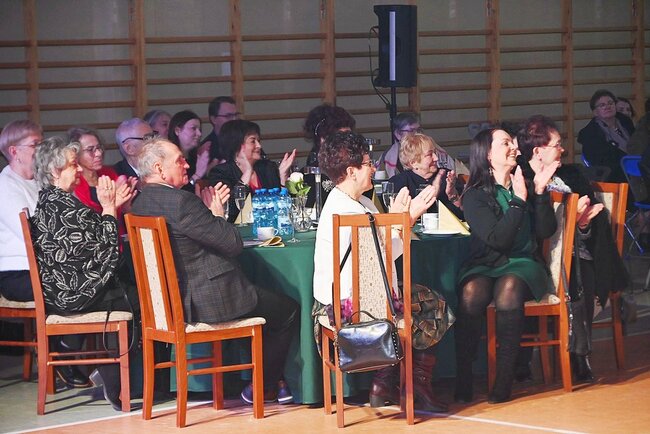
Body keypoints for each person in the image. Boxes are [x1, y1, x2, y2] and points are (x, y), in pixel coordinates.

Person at [131, 137, 299, 405]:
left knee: (260, 299)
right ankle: (263, 385)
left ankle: (270, 381)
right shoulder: (182, 202)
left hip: (168, 303)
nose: (187, 165)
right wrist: (216, 212)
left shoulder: (140, 203)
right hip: (207, 300)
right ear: (159, 168)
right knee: (287, 310)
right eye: (180, 160)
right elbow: (232, 244)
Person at [312, 131, 448, 412]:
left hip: (343, 299)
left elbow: (378, 252)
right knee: (434, 305)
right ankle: (411, 384)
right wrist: (407, 219)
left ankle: (384, 383)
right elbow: (384, 258)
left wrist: (397, 219)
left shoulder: (350, 201)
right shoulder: (352, 211)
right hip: (351, 306)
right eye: (367, 163)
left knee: (421, 297)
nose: (374, 168)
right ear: (351, 171)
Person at [517, 114, 630, 382]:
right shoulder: (521, 178)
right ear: (538, 151)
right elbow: (528, 226)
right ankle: (527, 358)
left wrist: (581, 224)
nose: (562, 149)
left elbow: (595, 218)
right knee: (563, 271)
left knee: (579, 270)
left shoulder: (572, 174)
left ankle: (580, 354)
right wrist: (567, 218)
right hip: (537, 254)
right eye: (557, 144)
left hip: (578, 251)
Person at [31, 136, 137, 410]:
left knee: (132, 289)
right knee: (137, 298)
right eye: (72, 165)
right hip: (73, 292)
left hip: (69, 286)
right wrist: (110, 208)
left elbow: (94, 241)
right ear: (54, 171)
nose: (79, 169)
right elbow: (105, 249)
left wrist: (111, 208)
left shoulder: (54, 201)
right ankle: (122, 382)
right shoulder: (62, 208)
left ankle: (121, 377)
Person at [454, 128, 558, 404]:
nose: (515, 147)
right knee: (471, 292)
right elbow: (497, 239)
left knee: (508, 289)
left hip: (523, 263)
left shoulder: (525, 184)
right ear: (488, 154)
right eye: (506, 143)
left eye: (513, 143)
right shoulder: (474, 195)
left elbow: (546, 231)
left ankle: (504, 381)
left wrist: (539, 193)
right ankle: (464, 376)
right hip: (486, 261)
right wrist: (518, 202)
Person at [206, 119, 296, 222]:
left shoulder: (267, 167)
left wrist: (282, 177)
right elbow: (230, 212)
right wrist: (247, 173)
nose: (259, 146)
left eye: (259, 141)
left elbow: (284, 207)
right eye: (253, 141)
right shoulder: (220, 173)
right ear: (237, 145)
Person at [389, 132, 463, 218]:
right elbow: (398, 217)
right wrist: (434, 190)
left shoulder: (447, 177)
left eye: (435, 153)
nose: (436, 158)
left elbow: (464, 214)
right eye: (429, 154)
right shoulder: (399, 182)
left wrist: (452, 195)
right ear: (413, 163)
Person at [578, 89, 635, 183]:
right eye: (602, 105)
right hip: (614, 174)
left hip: (636, 166)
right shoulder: (590, 134)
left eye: (610, 103)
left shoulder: (626, 122)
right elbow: (599, 162)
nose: (607, 107)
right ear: (595, 112)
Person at [168, 110, 206, 185]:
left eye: (199, 129)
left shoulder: (196, 157)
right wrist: (197, 175)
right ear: (177, 131)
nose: (199, 134)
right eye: (193, 128)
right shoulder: (169, 159)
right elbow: (177, 189)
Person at [378, 112, 421, 178]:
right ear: (398, 134)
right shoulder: (388, 155)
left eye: (418, 130)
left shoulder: (429, 150)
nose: (417, 134)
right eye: (411, 130)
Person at [202, 96, 239, 165]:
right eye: (228, 116)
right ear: (213, 119)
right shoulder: (207, 149)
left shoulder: (243, 141)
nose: (234, 119)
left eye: (236, 115)